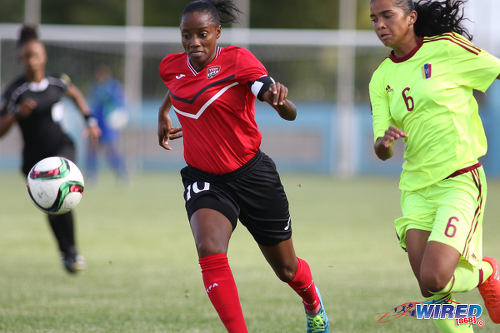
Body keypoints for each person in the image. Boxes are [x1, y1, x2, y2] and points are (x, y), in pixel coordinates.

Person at [157, 0, 330, 332]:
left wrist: (282, 104)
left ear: (217, 33)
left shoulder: (238, 61)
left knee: (287, 270)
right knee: (209, 246)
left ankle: (312, 302)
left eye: (202, 34)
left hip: (253, 176)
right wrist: (163, 112)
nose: (193, 42)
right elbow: (175, 85)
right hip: (204, 178)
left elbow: (280, 104)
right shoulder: (171, 66)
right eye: (186, 35)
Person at [369, 0, 500, 331]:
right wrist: (384, 143)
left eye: (387, 15)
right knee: (431, 292)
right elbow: (381, 149)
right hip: (415, 189)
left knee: (436, 276)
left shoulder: (446, 50)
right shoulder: (380, 78)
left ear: (411, 17)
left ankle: (486, 271)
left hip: (459, 180)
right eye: (374, 19)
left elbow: (495, 69)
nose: (380, 25)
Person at [0, 25, 100, 274]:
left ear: (43, 56)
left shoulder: (57, 81)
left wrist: (90, 121)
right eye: (25, 57)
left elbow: (75, 94)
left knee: (61, 191)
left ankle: (72, 252)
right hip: (33, 160)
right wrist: (15, 113)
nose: (30, 61)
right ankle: (67, 253)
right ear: (20, 60)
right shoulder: (15, 91)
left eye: (34, 55)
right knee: (54, 208)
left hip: (62, 147)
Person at [85, 64, 128, 184]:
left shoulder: (114, 87)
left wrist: (119, 117)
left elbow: (120, 104)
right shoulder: (95, 87)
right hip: (96, 125)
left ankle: (122, 174)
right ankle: (91, 175)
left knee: (112, 151)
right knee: (91, 149)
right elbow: (93, 106)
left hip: (109, 126)